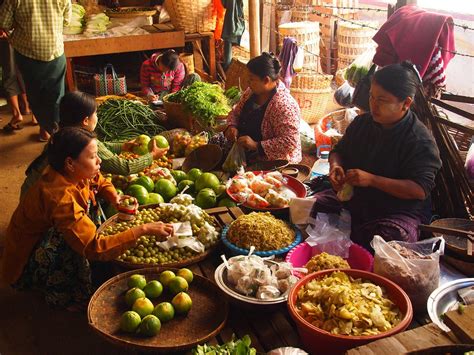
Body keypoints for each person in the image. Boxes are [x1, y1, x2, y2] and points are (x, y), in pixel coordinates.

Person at [0, 127, 174, 309]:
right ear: (70, 163)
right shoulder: (60, 198)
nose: (99, 161)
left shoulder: (72, 173)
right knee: (69, 241)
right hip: (27, 260)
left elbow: (99, 179)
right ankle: (65, 294)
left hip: (52, 227)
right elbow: (93, 247)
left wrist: (114, 197)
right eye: (92, 157)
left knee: (91, 202)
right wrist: (142, 230)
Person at [311, 61, 442, 251]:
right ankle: (351, 239)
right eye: (372, 97)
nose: (373, 105)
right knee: (311, 207)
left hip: (396, 211)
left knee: (391, 238)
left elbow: (419, 189)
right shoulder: (362, 123)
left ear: (406, 103)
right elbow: (339, 152)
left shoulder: (420, 141)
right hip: (357, 200)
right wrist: (335, 167)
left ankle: (354, 243)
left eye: (382, 100)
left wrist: (372, 180)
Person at [20, 91, 169, 198]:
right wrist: (152, 156)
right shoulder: (81, 142)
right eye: (95, 114)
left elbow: (100, 147)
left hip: (30, 193)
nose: (97, 117)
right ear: (85, 121)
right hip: (42, 202)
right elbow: (125, 167)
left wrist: (122, 146)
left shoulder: (62, 133)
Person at [0, 0, 71, 141]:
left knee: (35, 94)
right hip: (55, 52)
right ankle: (56, 134)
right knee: (56, 96)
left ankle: (45, 131)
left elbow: (3, 23)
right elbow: (66, 22)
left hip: (28, 54)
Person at [224, 52, 302, 164]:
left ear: (266, 80)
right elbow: (236, 112)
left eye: (251, 79)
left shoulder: (283, 105)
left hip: (274, 162)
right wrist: (232, 126)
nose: (248, 82)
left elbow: (290, 142)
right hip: (245, 154)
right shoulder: (251, 92)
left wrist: (256, 145)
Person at [0, 38, 37, 131]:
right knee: (25, 74)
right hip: (23, 37)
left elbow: (4, 24)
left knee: (10, 75)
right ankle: (33, 113)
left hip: (6, 38)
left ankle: (17, 114)